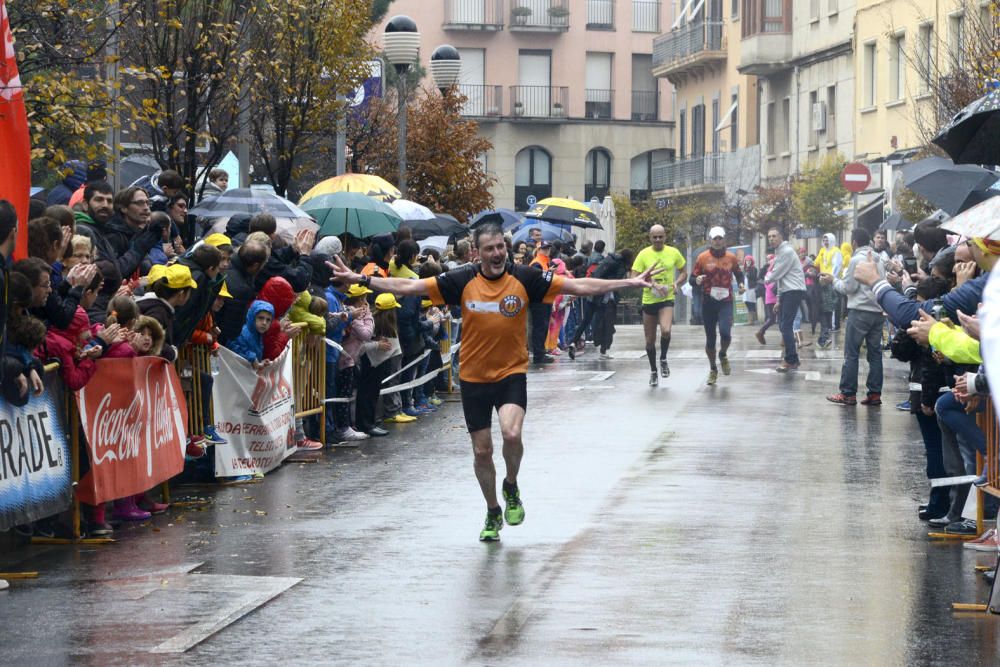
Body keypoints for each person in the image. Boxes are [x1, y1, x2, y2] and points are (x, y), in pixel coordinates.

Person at [328, 222, 663, 542]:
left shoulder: (526, 277)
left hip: (511, 373)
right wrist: (362, 279)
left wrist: (630, 284)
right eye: (490, 248)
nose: (498, 253)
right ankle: (492, 510)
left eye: (501, 246)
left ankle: (512, 485)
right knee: (482, 450)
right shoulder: (461, 279)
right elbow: (410, 286)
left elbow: (578, 285)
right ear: (478, 252)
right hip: (473, 377)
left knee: (512, 433)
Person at [823, 228, 886, 406]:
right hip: (877, 311)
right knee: (875, 354)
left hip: (859, 311)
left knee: (851, 353)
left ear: (854, 243)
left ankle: (848, 393)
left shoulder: (856, 259)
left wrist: (833, 280)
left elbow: (848, 288)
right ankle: (874, 393)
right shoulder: (878, 259)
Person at [631, 224, 687, 386]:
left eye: (660, 236)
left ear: (665, 237)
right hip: (649, 300)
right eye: (654, 237)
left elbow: (684, 271)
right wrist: (651, 284)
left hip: (666, 298)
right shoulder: (643, 254)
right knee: (649, 341)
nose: (657, 239)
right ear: (650, 237)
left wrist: (676, 282)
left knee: (666, 330)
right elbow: (634, 276)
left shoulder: (673, 252)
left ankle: (663, 358)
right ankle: (654, 371)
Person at [690, 227, 743, 385]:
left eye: (720, 238)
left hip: (725, 301)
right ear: (710, 240)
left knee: (726, 333)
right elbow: (692, 279)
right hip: (709, 302)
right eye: (715, 238)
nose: (718, 241)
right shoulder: (702, 257)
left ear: (724, 239)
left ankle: (723, 354)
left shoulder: (731, 257)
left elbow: (739, 273)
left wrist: (740, 284)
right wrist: (697, 280)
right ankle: (713, 369)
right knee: (711, 339)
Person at [763, 227, 807, 372]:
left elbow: (776, 274)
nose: (771, 239)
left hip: (794, 291)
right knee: (783, 325)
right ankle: (793, 358)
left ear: (781, 237)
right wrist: (778, 299)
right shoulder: (780, 252)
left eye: (774, 236)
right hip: (788, 291)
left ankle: (791, 360)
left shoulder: (786, 251)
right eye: (769, 237)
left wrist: (766, 279)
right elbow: (782, 279)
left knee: (786, 325)